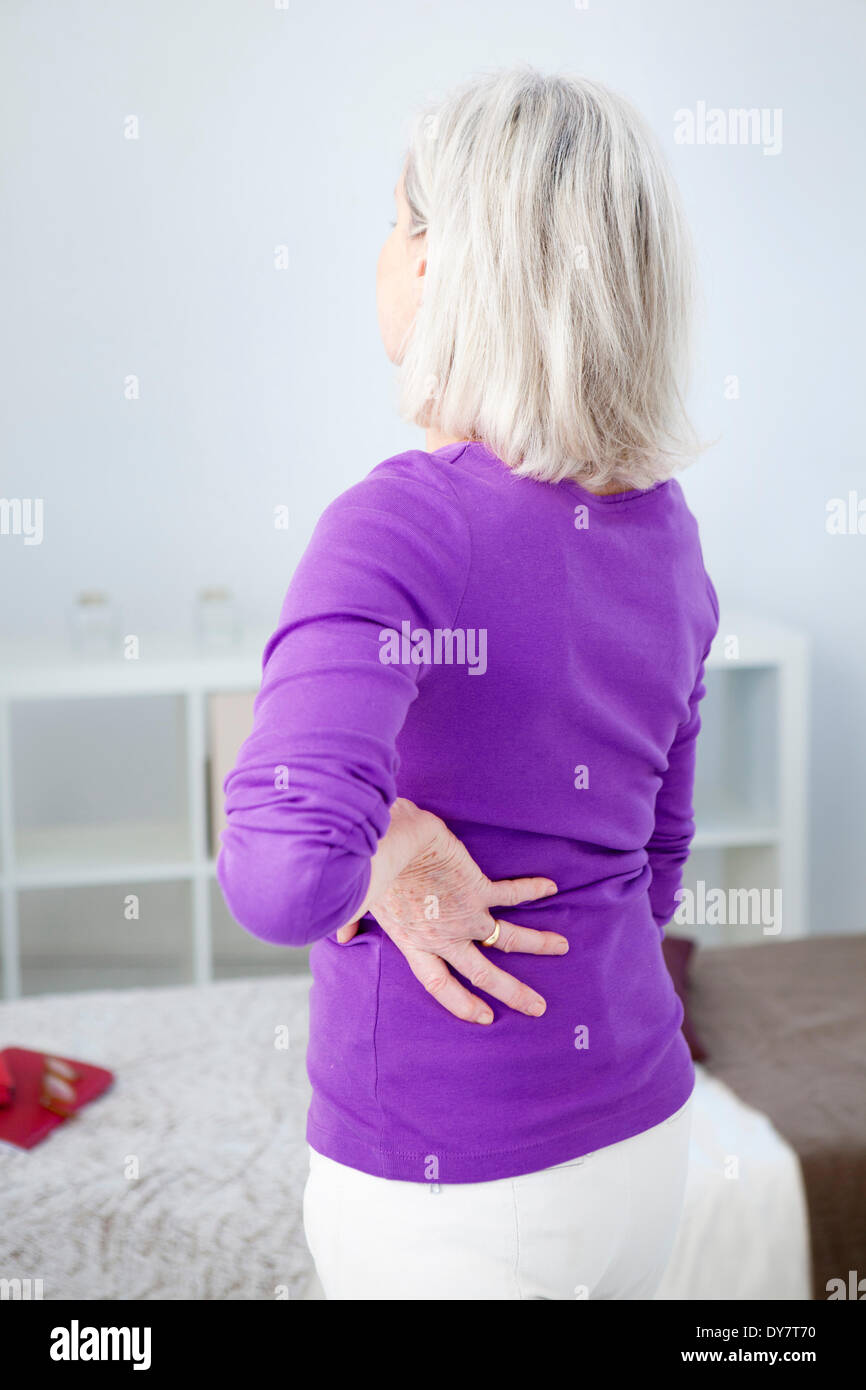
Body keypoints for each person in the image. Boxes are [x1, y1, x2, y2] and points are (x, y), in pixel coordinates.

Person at [218, 65, 719, 1300]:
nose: (382, 251)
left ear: (442, 262)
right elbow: (655, 868)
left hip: (450, 1192)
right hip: (645, 1133)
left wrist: (381, 839)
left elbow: (281, 873)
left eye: (397, 218)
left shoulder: (394, 527)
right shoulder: (664, 531)